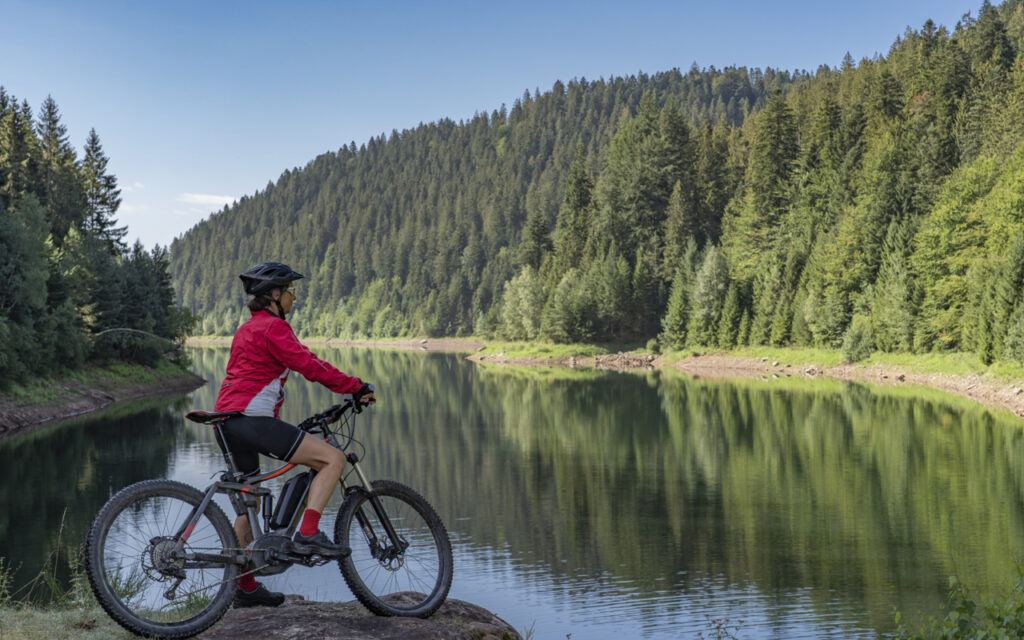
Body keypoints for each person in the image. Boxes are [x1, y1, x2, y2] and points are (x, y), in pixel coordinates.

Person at [213, 261, 375, 608]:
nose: (293, 298)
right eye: (290, 291)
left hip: (226, 421)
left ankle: (244, 586)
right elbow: (309, 365)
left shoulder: (246, 330)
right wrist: (355, 387)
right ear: (273, 295)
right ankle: (309, 533)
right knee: (333, 459)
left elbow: (251, 378)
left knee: (249, 498)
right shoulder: (274, 328)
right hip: (252, 419)